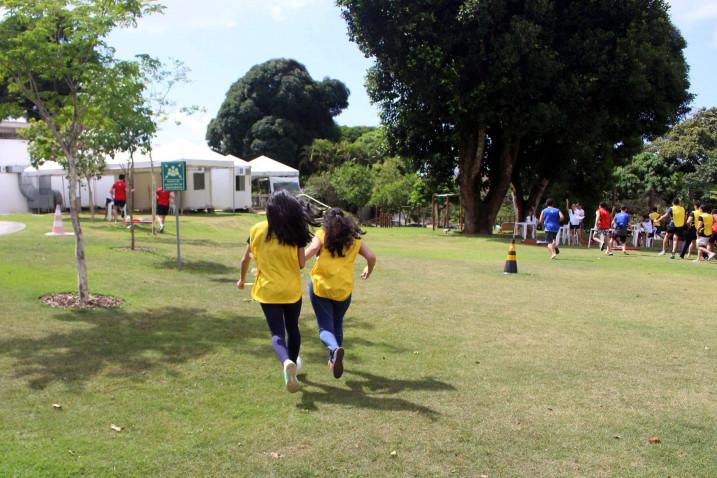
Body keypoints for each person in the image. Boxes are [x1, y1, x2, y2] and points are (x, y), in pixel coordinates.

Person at [237, 191, 315, 393]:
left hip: (267, 290)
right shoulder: (294, 233)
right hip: (291, 290)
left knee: (277, 333)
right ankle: (293, 369)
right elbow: (300, 264)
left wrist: (242, 279)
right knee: (293, 328)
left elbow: (245, 259)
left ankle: (286, 361)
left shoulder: (256, 230)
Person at [304, 208, 377, 378]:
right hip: (343, 290)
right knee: (337, 323)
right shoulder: (355, 239)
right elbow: (371, 257)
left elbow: (313, 249)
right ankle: (334, 357)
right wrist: (369, 269)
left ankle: (335, 350)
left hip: (321, 288)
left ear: (326, 222)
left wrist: (296, 262)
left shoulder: (322, 234)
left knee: (324, 328)